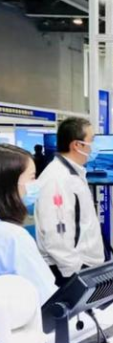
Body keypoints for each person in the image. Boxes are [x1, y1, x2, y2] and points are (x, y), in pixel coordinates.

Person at [35, 117, 104, 287]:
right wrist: (74, 271)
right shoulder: (57, 179)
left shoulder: (73, 173)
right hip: (71, 272)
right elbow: (56, 233)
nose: (94, 146)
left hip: (84, 267)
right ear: (77, 145)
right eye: (91, 140)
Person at [0, 144, 57, 305]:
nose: (36, 184)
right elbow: (46, 297)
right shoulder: (13, 237)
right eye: (32, 178)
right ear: (10, 184)